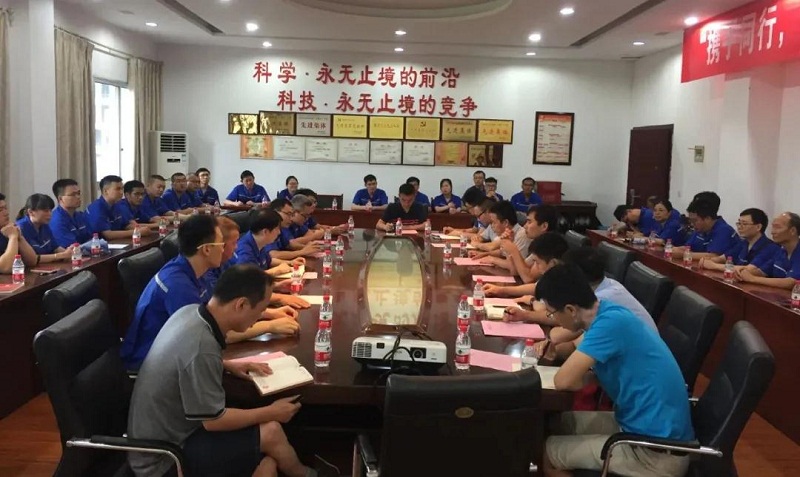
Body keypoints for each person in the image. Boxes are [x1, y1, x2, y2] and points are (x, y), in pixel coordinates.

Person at [127, 265, 338, 477]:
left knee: (268, 464)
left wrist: (227, 365)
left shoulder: (191, 312)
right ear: (241, 304)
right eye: (260, 310)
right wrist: (271, 412)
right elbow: (213, 421)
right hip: (165, 458)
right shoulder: (202, 346)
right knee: (271, 433)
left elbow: (184, 361)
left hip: (169, 435)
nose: (260, 316)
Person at [537, 264, 693, 477]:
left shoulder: (610, 324)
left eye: (552, 313)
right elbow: (583, 371)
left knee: (546, 453)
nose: (553, 319)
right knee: (555, 423)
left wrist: (579, 377)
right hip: (637, 427)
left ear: (571, 310)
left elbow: (563, 381)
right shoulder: (607, 312)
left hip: (654, 453)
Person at [120, 215, 224, 371]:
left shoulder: (195, 270)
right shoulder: (177, 286)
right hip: (149, 368)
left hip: (178, 356)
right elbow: (202, 337)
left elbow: (213, 316)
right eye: (221, 244)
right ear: (207, 249)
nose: (223, 249)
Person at [487, 233, 569, 327]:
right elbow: (536, 287)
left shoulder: (566, 280)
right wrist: (502, 290)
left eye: (537, 262)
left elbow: (555, 316)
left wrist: (529, 307)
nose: (536, 268)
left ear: (553, 263)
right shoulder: (553, 275)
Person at [699, 208, 780, 276]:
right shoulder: (743, 243)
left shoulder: (770, 248)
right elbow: (722, 258)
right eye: (739, 223)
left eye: (744, 224)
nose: (739, 227)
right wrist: (707, 260)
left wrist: (714, 266)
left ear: (758, 227)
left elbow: (748, 270)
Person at [492, 204, 560, 284]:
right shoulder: (540, 243)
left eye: (529, 222)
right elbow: (515, 271)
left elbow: (528, 278)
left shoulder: (550, 245)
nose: (524, 226)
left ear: (544, 226)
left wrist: (514, 250)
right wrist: (509, 248)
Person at [739, 212, 800, 289]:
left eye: (777, 227)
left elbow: (792, 282)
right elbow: (761, 271)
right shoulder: (781, 251)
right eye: (773, 227)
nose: (772, 232)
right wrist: (742, 272)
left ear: (793, 231)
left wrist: (753, 279)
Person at [470, 201, 531, 269]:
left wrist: (493, 260)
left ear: (505, 222)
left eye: (493, 222)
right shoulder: (507, 233)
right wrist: (484, 254)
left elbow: (517, 266)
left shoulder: (522, 235)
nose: (491, 226)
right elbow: (502, 252)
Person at [87, 175, 150, 240]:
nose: (121, 192)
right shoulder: (97, 208)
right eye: (118, 189)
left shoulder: (117, 205)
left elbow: (126, 225)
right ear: (106, 191)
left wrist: (141, 228)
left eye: (122, 189)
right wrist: (137, 232)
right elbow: (108, 235)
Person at [15, 194, 75, 262]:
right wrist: (60, 256)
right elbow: (33, 258)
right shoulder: (21, 228)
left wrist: (69, 253)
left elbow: (55, 248)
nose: (50, 214)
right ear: (31, 212)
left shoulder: (44, 225)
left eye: (50, 210)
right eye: (46, 211)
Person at [674, 197, 739, 260]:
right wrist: (674, 250)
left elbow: (714, 256)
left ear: (707, 218)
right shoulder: (700, 229)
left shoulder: (724, 230)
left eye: (695, 221)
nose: (692, 224)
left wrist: (685, 254)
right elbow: (688, 247)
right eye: (690, 221)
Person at [0, 193, 38, 273]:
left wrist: (19, 237)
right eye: (0, 210)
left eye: (6, 208)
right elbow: (7, 268)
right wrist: (13, 237)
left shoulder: (7, 229)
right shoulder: (10, 233)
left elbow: (32, 261)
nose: (6, 213)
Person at [49, 179, 93, 247]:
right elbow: (72, 248)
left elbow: (91, 238)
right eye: (73, 194)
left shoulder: (79, 215)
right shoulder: (57, 221)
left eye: (78, 193)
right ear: (60, 199)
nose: (78, 197)